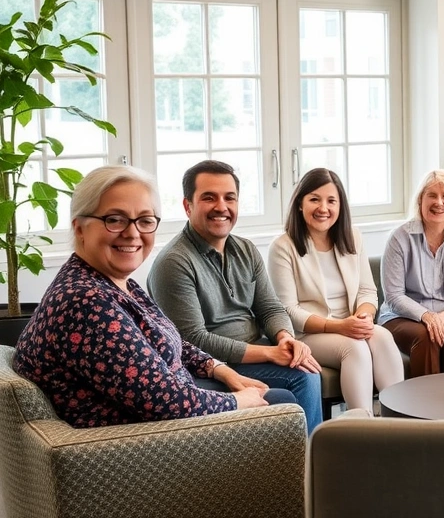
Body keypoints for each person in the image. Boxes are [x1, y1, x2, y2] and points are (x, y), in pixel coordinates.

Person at [14, 166, 294, 428]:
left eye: (145, 220)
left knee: (280, 390)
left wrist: (219, 369)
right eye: (114, 219)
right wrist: (238, 400)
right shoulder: (85, 301)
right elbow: (164, 400)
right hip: (145, 441)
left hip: (162, 411)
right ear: (79, 228)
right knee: (281, 401)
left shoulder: (116, 284)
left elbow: (170, 340)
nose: (132, 233)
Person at [148, 160, 322, 434]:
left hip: (254, 350)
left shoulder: (246, 249)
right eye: (209, 197)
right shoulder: (174, 262)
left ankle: (307, 461)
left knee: (305, 368)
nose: (221, 206)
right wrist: (269, 353)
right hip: (210, 367)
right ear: (187, 206)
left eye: (230, 198)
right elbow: (193, 339)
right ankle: (308, 464)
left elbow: (270, 308)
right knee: (303, 378)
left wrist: (285, 338)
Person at [268, 168, 404, 412]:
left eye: (331, 201)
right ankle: (362, 430)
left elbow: (366, 290)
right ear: (300, 203)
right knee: (354, 347)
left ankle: (401, 423)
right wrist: (340, 327)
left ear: (340, 206)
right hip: (307, 334)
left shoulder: (352, 236)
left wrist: (363, 316)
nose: (323, 208)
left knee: (382, 336)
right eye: (314, 199)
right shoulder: (282, 247)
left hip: (350, 324)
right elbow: (288, 311)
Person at [378, 169, 444, 377]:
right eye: (431, 195)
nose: (439, 202)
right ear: (420, 201)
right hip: (402, 317)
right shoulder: (399, 238)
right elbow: (394, 296)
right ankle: (424, 408)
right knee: (425, 336)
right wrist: (427, 316)